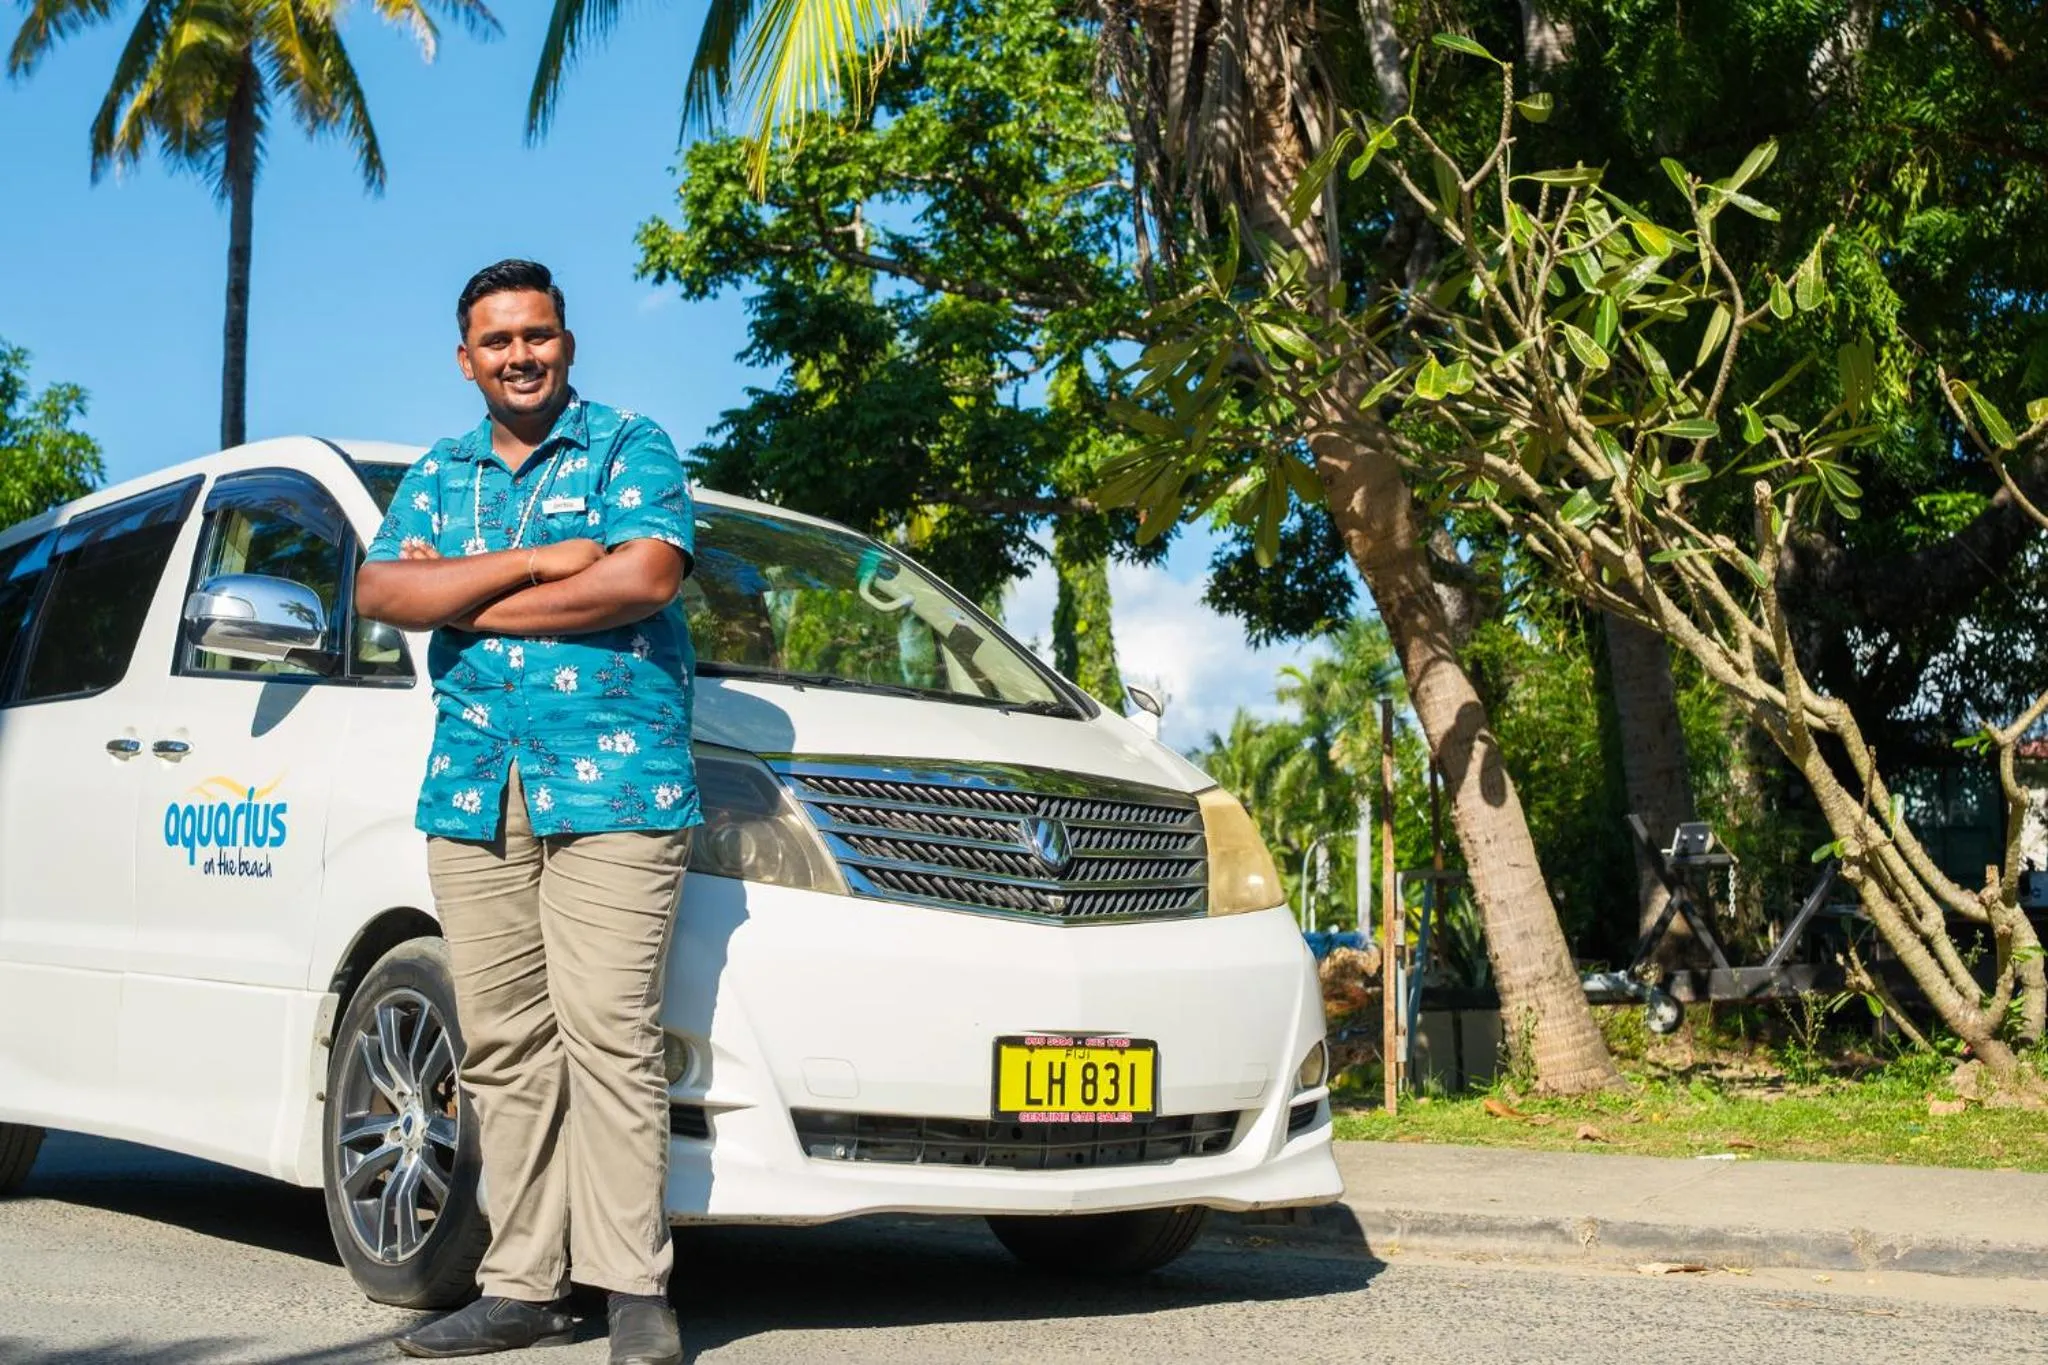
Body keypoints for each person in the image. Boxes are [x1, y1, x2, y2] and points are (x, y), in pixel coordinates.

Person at [356, 259, 698, 1365]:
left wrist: (466, 587)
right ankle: (520, 1286)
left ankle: (631, 1286)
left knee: (610, 1036)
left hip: (617, 787)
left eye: (537, 335)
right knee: (503, 1045)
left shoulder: (629, 446)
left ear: (567, 342)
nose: (520, 355)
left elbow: (643, 579)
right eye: (497, 340)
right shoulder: (439, 473)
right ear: (466, 359)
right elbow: (380, 594)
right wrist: (548, 559)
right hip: (473, 788)